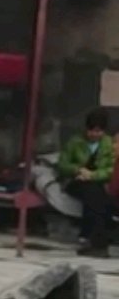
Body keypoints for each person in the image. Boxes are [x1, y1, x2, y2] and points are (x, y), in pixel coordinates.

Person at [58, 107, 116, 256]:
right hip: (76, 181)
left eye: (99, 131)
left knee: (96, 194)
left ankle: (92, 238)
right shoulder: (75, 142)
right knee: (94, 192)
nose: (95, 134)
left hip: (98, 182)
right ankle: (96, 240)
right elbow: (62, 164)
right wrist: (78, 170)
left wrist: (93, 175)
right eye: (92, 130)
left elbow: (111, 169)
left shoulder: (109, 144)